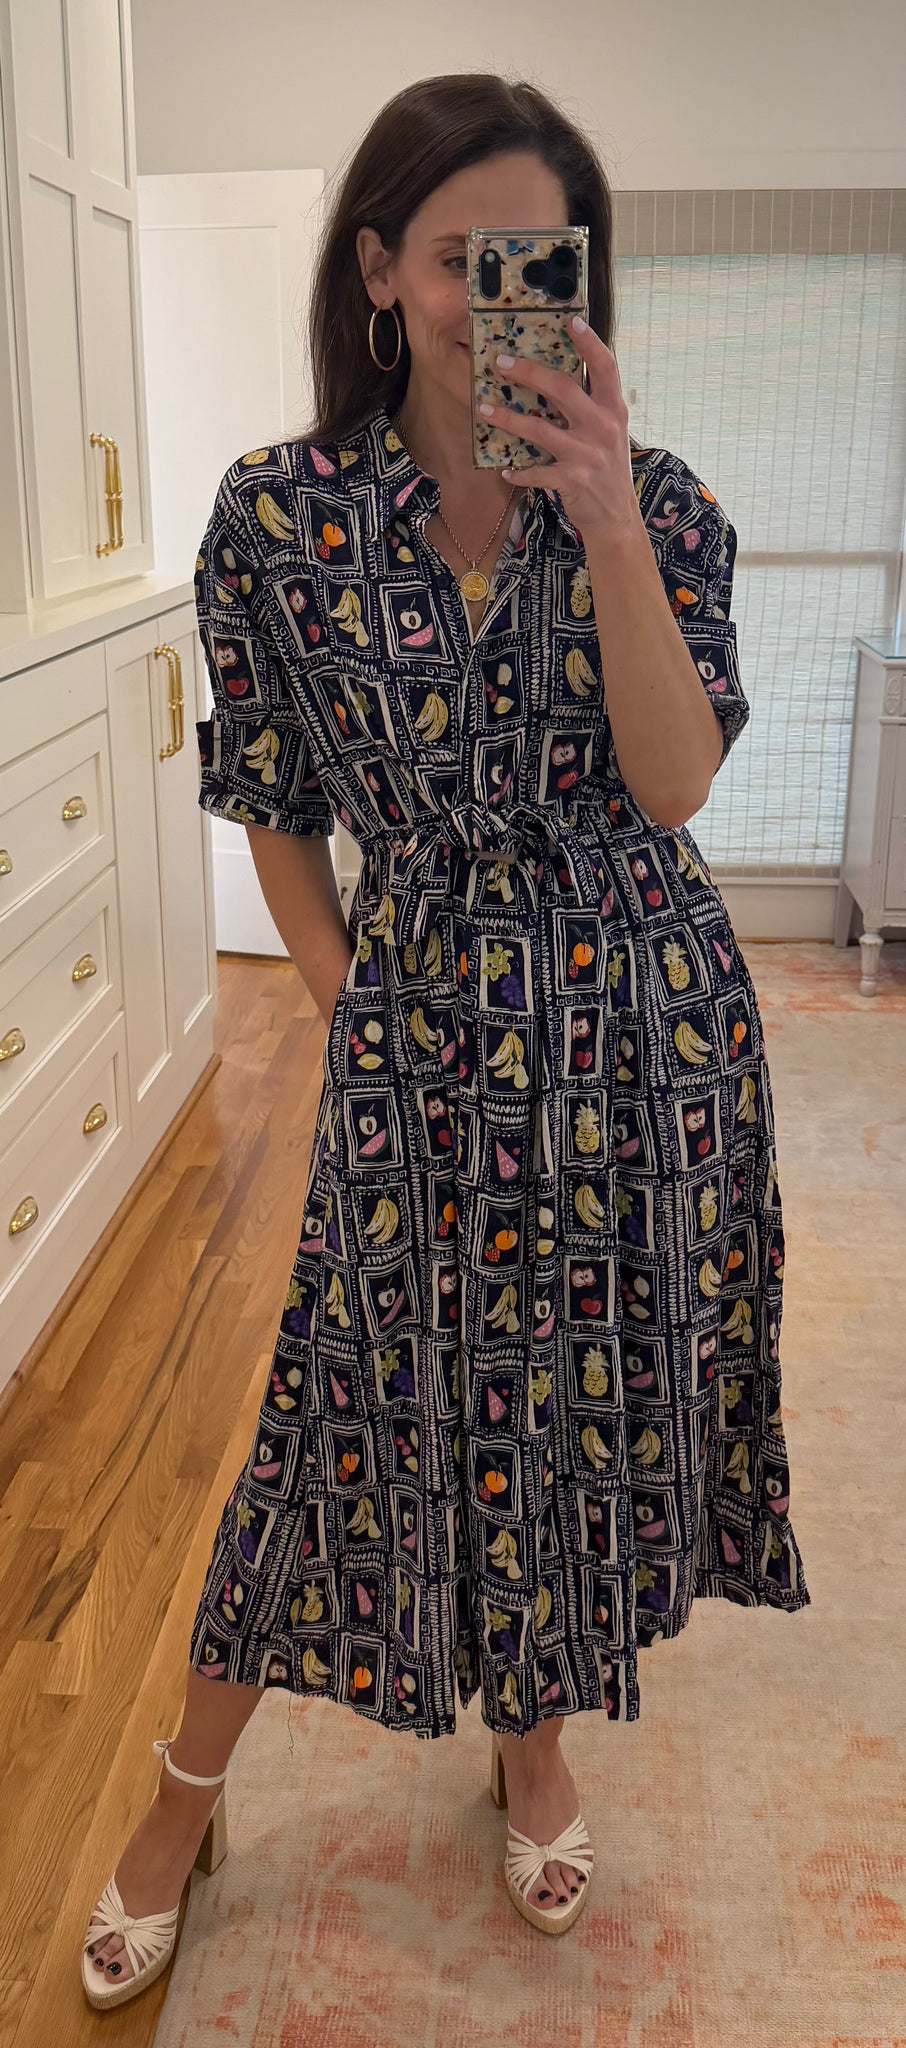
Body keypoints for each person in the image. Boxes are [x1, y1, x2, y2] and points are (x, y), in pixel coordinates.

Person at [82, 69, 811, 2006]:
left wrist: (607, 519)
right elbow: (268, 798)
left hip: (643, 1031)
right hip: (415, 1024)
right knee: (343, 1403)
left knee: (571, 1409)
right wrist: (345, 1007)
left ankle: (534, 1745)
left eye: (543, 263)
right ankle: (176, 1794)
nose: (504, 301)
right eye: (464, 258)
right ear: (379, 269)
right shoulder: (279, 516)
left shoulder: (663, 502)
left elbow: (672, 788)